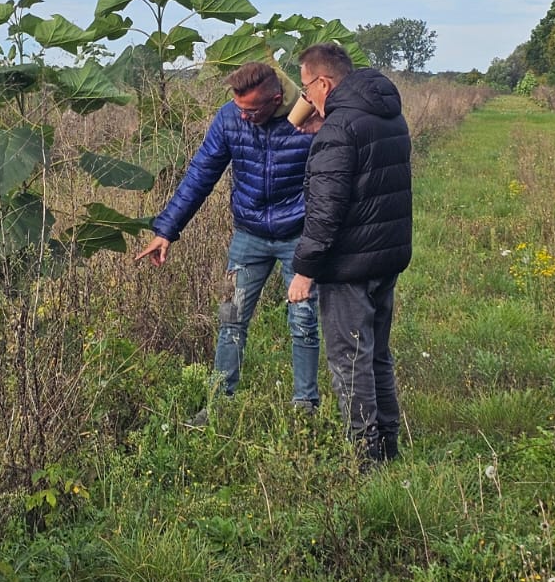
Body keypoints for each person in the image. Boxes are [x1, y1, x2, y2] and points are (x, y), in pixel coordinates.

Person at [135, 61, 321, 412]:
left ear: (276, 100)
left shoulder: (309, 118)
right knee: (230, 316)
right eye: (239, 109)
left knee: (303, 320)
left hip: (298, 236)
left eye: (251, 111)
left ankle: (305, 406)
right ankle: (219, 403)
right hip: (247, 236)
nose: (244, 117)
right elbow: (200, 174)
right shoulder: (229, 117)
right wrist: (166, 230)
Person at [287, 43, 412, 465]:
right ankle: (388, 445)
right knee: (376, 354)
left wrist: (304, 271)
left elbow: (326, 210)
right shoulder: (386, 114)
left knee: (349, 361)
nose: (305, 98)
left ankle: (364, 456)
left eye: (306, 89)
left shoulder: (339, 129)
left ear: (323, 83)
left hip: (348, 265)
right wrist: (325, 126)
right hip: (385, 256)